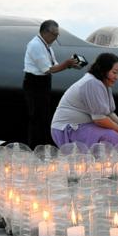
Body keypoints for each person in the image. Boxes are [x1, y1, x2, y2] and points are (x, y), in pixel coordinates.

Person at [51, 53, 118, 147]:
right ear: (103, 70)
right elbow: (99, 119)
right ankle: (103, 161)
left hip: (82, 126)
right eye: (114, 72)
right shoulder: (92, 83)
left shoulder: (104, 85)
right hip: (66, 129)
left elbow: (108, 112)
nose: (117, 77)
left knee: (113, 133)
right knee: (111, 136)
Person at [23, 19, 77, 148]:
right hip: (34, 82)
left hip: (43, 82)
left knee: (44, 114)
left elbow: (54, 65)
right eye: (54, 34)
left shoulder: (47, 47)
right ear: (45, 32)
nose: (56, 37)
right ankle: (35, 145)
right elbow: (47, 69)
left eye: (57, 34)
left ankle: (43, 143)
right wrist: (66, 64)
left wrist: (70, 65)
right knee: (35, 115)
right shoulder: (35, 45)